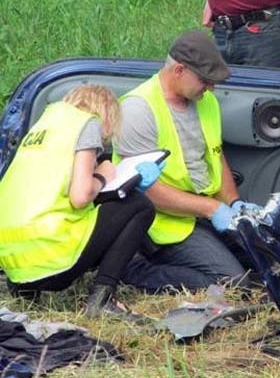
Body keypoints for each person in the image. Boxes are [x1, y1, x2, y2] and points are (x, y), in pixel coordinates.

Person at [114, 30, 260, 293]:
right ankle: (135, 270)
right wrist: (211, 209)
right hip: (164, 223)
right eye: (205, 80)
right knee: (234, 285)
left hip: (201, 212)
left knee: (268, 265)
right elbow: (146, 192)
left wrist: (234, 203)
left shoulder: (206, 101)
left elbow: (216, 157)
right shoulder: (138, 109)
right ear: (179, 70)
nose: (211, 87)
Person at [0, 85, 161, 320]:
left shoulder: (43, 127)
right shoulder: (87, 123)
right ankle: (101, 300)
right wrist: (104, 174)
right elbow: (80, 196)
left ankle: (26, 293)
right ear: (108, 114)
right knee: (139, 206)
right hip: (51, 260)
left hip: (15, 263)